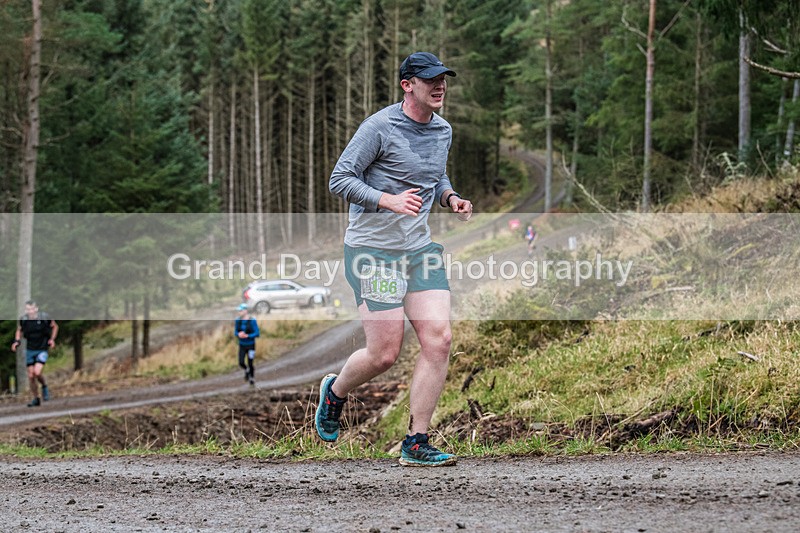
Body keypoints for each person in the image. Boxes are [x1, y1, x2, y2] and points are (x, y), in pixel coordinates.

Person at [317, 51, 473, 467]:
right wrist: (387, 200)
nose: (440, 86)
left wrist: (450, 198)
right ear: (407, 85)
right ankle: (336, 392)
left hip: (419, 249)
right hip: (373, 251)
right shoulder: (379, 127)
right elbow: (339, 179)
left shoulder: (442, 130)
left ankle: (416, 442)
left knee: (439, 339)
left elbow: (434, 175)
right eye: (430, 79)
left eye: (443, 79)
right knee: (384, 354)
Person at [11, 300, 58, 407]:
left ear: (36, 309)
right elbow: (19, 330)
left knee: (37, 372)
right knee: (31, 376)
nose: (30, 311)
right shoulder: (24, 320)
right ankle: (36, 398)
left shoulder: (44, 317)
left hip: (42, 349)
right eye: (28, 309)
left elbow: (55, 326)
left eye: (32, 309)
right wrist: (17, 341)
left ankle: (44, 386)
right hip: (30, 349)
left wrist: (52, 339)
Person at [234, 303, 259, 386]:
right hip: (242, 345)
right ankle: (246, 369)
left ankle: (252, 378)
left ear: (245, 311)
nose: (239, 312)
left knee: (250, 362)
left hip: (251, 345)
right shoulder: (238, 321)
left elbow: (257, 333)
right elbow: (235, 332)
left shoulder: (252, 320)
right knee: (241, 362)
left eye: (240, 311)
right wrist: (239, 334)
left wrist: (248, 335)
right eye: (239, 311)